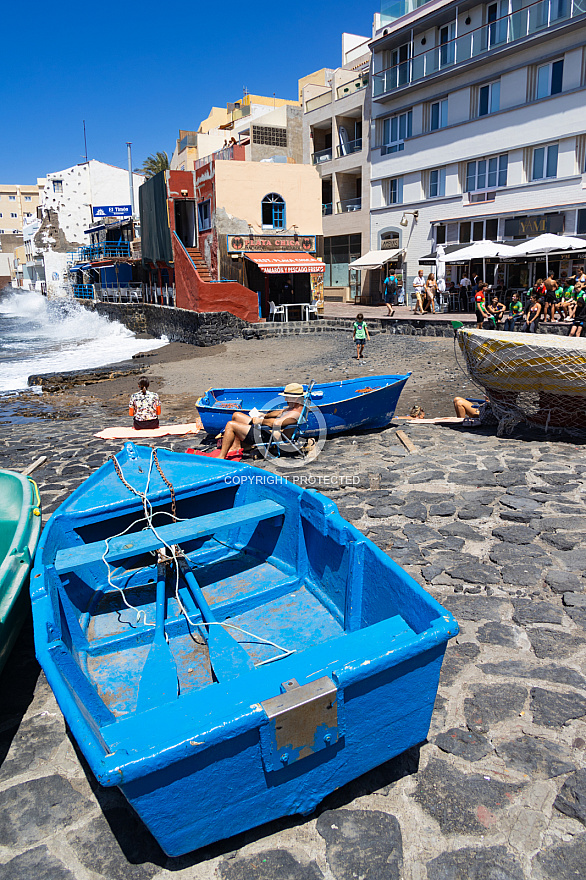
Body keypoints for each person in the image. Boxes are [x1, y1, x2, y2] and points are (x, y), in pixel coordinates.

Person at [218, 383, 306, 459]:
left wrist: (260, 421)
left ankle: (221, 456)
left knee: (231, 425)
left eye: (287, 397)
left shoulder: (295, 413)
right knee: (236, 415)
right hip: (266, 429)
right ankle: (236, 446)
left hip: (268, 435)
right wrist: (264, 415)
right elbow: (279, 412)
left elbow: (276, 423)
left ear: (296, 399)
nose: (285, 400)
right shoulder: (293, 407)